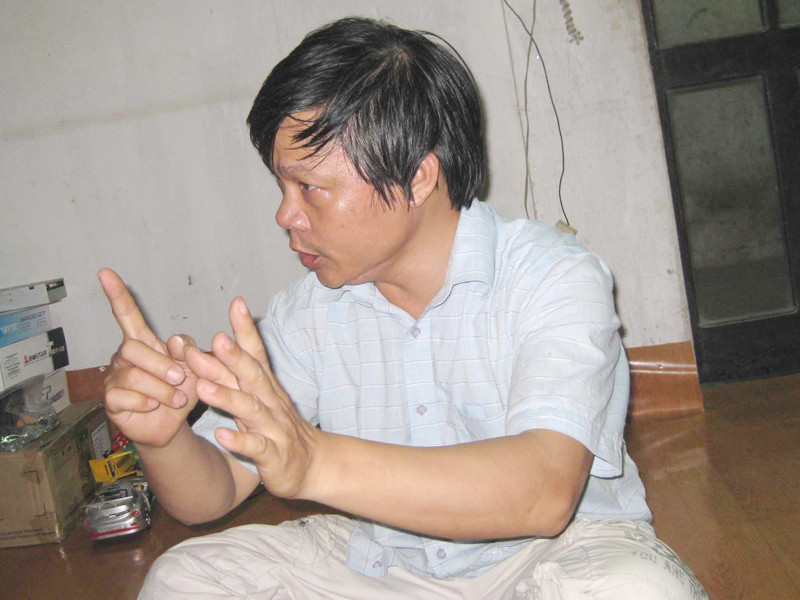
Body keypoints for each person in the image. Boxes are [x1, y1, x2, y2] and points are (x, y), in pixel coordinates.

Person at [100, 16, 707, 600]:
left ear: (417, 179)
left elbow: (544, 493)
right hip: (382, 562)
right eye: (281, 186)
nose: (285, 215)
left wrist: (314, 462)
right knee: (183, 581)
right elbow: (213, 492)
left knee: (638, 592)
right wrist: (163, 438)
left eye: (309, 186)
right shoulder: (306, 314)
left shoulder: (553, 277)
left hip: (552, 555)